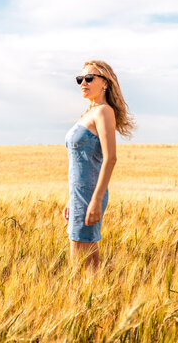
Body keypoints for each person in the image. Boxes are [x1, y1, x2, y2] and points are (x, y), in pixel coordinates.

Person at [63, 60, 135, 271]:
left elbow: (110, 158)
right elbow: (81, 163)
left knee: (83, 264)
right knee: (82, 263)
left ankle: (90, 300)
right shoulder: (88, 113)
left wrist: (95, 200)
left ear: (105, 83)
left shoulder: (103, 112)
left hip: (90, 195)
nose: (83, 83)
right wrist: (71, 198)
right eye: (80, 79)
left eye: (89, 78)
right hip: (79, 195)